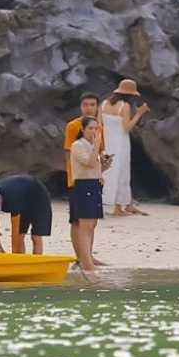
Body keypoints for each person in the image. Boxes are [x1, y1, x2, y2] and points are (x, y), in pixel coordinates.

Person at [101, 79, 151, 216]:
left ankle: (126, 204)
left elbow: (100, 123)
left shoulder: (104, 104)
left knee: (108, 172)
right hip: (120, 143)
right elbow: (127, 128)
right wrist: (139, 114)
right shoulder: (124, 106)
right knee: (122, 173)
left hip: (107, 142)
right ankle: (118, 207)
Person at [67, 115, 109, 274]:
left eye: (96, 128)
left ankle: (88, 259)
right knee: (84, 226)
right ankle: (86, 262)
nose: (93, 131)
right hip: (83, 186)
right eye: (90, 128)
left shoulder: (93, 147)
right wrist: (97, 147)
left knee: (92, 224)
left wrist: (104, 165)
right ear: (83, 129)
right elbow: (89, 163)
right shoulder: (78, 145)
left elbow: (94, 167)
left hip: (94, 183)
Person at [0, 174, 54, 255]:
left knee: (35, 236)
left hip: (39, 197)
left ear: (0, 199)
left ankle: (36, 264)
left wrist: (13, 257)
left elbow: (15, 231)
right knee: (20, 235)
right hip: (23, 197)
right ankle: (21, 261)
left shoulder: (13, 198)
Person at [63, 93, 101, 188]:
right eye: (85, 105)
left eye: (92, 105)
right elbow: (69, 152)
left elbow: (101, 150)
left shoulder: (99, 127)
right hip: (77, 175)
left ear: (97, 107)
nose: (89, 108)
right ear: (80, 107)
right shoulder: (72, 126)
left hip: (94, 175)